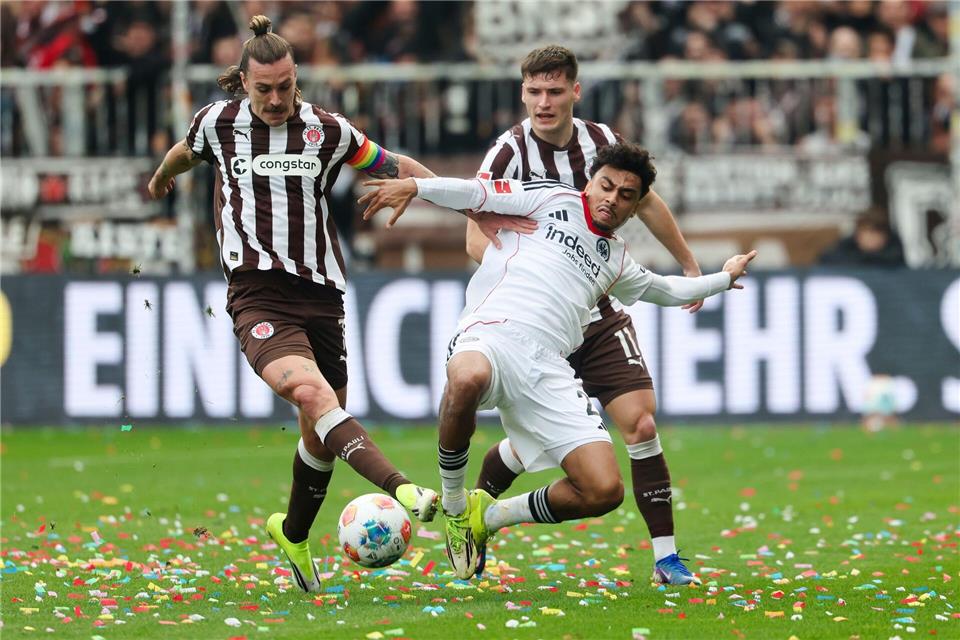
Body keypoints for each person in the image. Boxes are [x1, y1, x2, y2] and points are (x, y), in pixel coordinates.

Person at [146, 16, 531, 593]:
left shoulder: (326, 131)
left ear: (296, 77)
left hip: (323, 296)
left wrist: (465, 207)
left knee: (320, 431)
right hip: (257, 294)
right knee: (311, 394)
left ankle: (293, 534)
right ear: (243, 83)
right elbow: (186, 151)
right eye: (263, 89)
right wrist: (161, 176)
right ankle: (403, 489)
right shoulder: (217, 124)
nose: (275, 100)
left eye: (285, 87)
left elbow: (392, 164)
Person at [359, 142, 757, 581]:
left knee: (604, 490)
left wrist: (724, 278)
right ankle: (455, 506)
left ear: (634, 208)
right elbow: (474, 193)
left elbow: (665, 290)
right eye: (606, 186)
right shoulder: (550, 198)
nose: (612, 199)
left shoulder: (617, 260)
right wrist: (416, 187)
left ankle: (486, 516)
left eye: (626, 195)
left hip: (549, 367)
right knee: (467, 377)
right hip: (492, 333)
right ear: (590, 184)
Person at [465, 45, 704, 584]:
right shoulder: (507, 154)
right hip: (534, 322)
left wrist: (689, 265)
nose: (543, 103)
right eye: (534, 92)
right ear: (522, 92)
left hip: (596, 313)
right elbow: (474, 238)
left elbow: (646, 202)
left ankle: (666, 558)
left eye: (554, 91)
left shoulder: (601, 142)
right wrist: (539, 278)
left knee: (641, 422)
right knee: (529, 446)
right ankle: (477, 515)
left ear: (575, 91)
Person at [818, 209, 906, 268]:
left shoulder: (894, 253)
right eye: (866, 232)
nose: (871, 238)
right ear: (858, 236)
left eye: (875, 233)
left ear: (885, 236)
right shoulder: (845, 249)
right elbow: (827, 259)